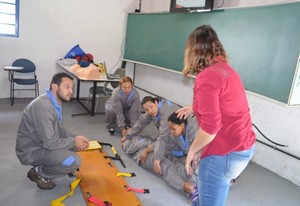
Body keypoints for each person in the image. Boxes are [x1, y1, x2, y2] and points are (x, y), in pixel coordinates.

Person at [177, 25, 256, 206]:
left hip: (224, 152)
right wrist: (194, 107)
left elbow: (211, 128)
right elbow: (224, 104)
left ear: (194, 50)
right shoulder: (226, 69)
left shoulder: (207, 77)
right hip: (243, 146)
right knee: (203, 198)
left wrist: (192, 151)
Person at [15, 72, 89, 190]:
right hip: (32, 150)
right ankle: (39, 172)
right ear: (55, 87)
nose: (71, 91)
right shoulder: (43, 107)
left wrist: (75, 138)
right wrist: (73, 141)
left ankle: (51, 164)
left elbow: (58, 129)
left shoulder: (54, 102)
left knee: (76, 145)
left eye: (72, 87)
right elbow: (49, 142)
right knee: (73, 161)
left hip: (41, 143)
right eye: (67, 87)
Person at [122, 112, 198, 201]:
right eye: (126, 131)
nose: (128, 131)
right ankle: (187, 188)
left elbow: (160, 142)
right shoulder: (129, 142)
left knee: (175, 162)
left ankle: (194, 184)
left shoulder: (146, 136)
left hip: (153, 148)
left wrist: (148, 148)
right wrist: (126, 139)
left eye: (129, 130)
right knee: (165, 165)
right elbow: (129, 148)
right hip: (143, 154)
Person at [121, 96, 179, 175]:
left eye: (151, 107)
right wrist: (127, 136)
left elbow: (164, 137)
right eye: (147, 109)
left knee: (171, 154)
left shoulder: (165, 114)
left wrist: (156, 160)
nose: (150, 111)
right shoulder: (154, 109)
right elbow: (140, 123)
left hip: (180, 137)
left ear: (156, 102)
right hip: (172, 136)